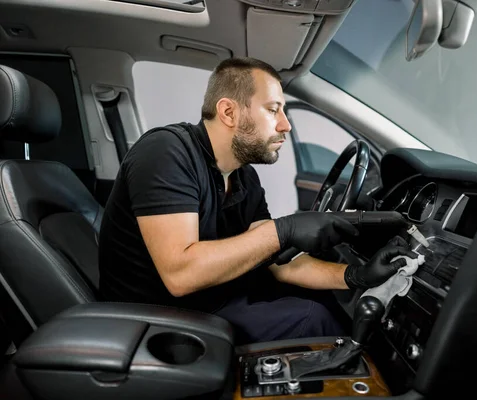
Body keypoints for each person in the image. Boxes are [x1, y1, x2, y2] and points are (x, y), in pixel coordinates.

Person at [98, 57, 413, 344]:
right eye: (273, 109)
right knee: (311, 321)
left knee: (321, 301)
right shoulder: (166, 152)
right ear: (229, 112)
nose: (285, 125)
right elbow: (181, 274)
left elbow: (277, 262)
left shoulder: (243, 177)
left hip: (212, 299)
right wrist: (283, 230)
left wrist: (354, 276)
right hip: (157, 321)